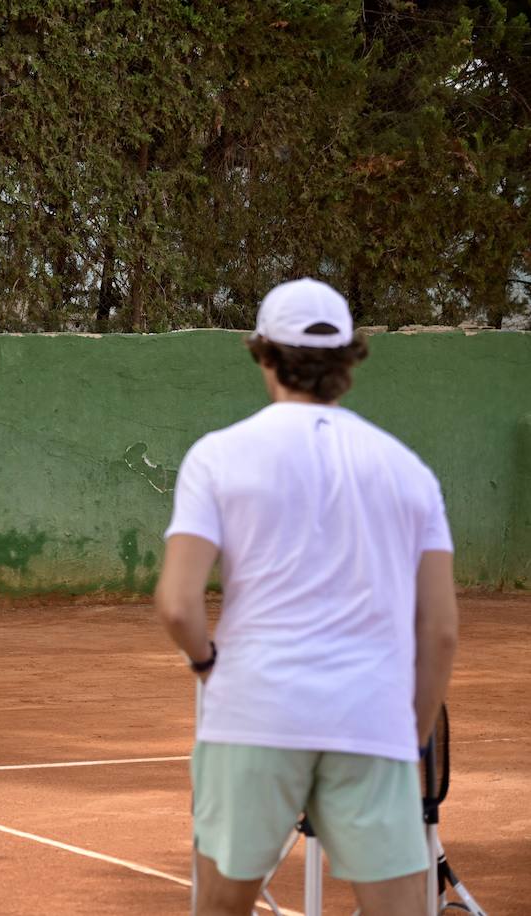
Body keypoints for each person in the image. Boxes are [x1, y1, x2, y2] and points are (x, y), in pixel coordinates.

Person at [154, 278, 459, 916]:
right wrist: (406, 730)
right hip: (371, 719)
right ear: (350, 360)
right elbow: (440, 631)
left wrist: (212, 668)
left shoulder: (216, 457)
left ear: (263, 354)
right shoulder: (409, 471)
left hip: (251, 713)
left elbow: (179, 605)